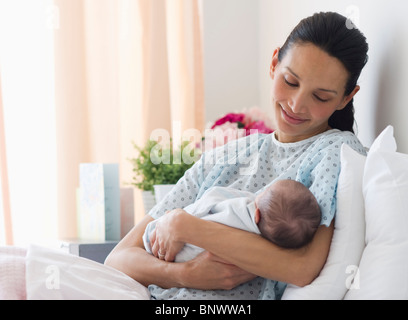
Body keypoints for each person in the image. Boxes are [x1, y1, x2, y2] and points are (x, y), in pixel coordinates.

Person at [105, 12, 369, 300]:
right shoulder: (227, 155)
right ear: (273, 63)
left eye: (321, 97)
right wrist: (186, 274)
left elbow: (302, 267)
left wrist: (186, 227)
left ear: (346, 98)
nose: (296, 104)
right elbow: (119, 258)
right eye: (291, 81)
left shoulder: (337, 154)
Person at [143, 180, 321, 299]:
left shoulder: (241, 206)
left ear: (256, 214)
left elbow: (212, 198)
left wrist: (182, 220)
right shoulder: (269, 247)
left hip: (164, 244)